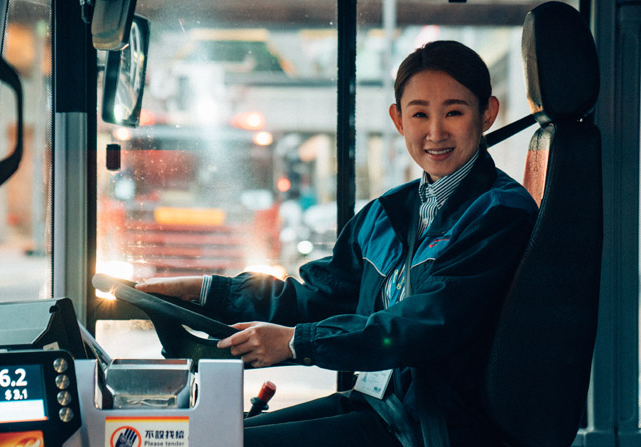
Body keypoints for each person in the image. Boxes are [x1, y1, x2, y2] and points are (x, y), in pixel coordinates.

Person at [136, 40, 539, 446]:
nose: (435, 132)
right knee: (210, 436)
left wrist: (297, 343)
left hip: (438, 428)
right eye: (419, 114)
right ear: (399, 120)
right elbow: (321, 297)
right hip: (382, 406)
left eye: (454, 112)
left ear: (487, 113)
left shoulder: (499, 214)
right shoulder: (388, 214)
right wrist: (210, 290)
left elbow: (426, 323)